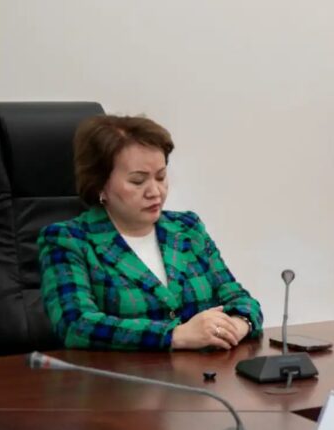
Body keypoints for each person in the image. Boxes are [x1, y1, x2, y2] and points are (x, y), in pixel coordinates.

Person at [38, 115, 263, 350]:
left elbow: (240, 299)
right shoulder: (67, 240)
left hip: (203, 371)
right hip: (122, 373)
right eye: (138, 181)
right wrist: (175, 335)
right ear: (99, 185)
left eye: (161, 177)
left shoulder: (187, 228)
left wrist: (238, 325)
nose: (155, 192)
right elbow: (76, 325)